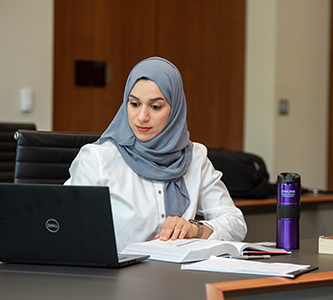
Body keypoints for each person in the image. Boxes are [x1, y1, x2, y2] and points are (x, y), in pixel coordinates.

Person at [65, 57, 247, 252]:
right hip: (116, 278)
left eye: (155, 107)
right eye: (134, 104)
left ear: (175, 109)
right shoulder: (98, 159)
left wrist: (195, 229)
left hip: (178, 276)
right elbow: (66, 228)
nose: (142, 117)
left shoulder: (194, 158)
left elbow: (236, 224)